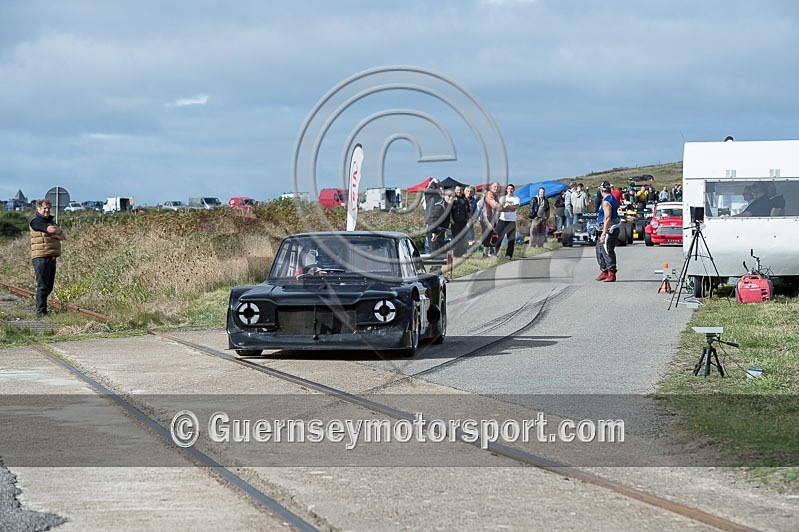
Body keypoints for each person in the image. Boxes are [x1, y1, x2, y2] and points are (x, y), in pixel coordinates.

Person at [29, 199, 67, 317]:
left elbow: (63, 236)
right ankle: (41, 312)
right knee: (42, 286)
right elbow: (53, 230)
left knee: (49, 286)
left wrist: (55, 232)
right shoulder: (36, 221)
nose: (46, 210)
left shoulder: (50, 221)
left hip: (51, 257)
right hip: (41, 257)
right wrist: (55, 232)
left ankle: (42, 309)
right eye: (44, 208)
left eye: (48, 208)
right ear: (38, 209)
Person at [595, 181, 621, 282]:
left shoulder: (606, 201)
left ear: (602, 190)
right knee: (599, 250)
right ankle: (604, 270)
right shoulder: (610, 198)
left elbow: (608, 217)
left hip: (609, 229)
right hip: (603, 227)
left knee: (607, 250)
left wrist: (604, 233)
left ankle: (611, 272)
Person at [496, 184, 520, 259]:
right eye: (508, 188)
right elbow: (499, 208)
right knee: (498, 237)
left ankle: (508, 255)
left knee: (511, 239)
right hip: (502, 220)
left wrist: (507, 207)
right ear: (506, 190)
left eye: (511, 188)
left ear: (514, 190)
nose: (510, 190)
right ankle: (494, 253)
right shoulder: (503, 198)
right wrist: (507, 208)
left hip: (511, 221)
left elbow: (515, 207)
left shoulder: (516, 198)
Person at [426, 184, 451, 256]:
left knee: (439, 255)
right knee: (436, 256)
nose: (450, 198)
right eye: (448, 196)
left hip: (440, 232)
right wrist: (434, 232)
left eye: (452, 196)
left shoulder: (447, 205)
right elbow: (432, 219)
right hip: (434, 232)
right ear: (444, 196)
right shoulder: (440, 206)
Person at [449, 184, 471, 257]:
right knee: (455, 238)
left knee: (463, 238)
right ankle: (455, 254)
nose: (459, 191)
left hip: (463, 222)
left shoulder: (465, 199)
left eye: (460, 190)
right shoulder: (452, 199)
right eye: (457, 190)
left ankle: (462, 253)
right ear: (455, 190)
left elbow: (468, 211)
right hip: (455, 222)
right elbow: (449, 211)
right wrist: (451, 219)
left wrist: (468, 219)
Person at [481, 181, 502, 256]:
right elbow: (494, 205)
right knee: (488, 235)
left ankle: (492, 253)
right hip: (487, 218)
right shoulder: (489, 194)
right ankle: (485, 253)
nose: (496, 188)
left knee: (494, 235)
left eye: (497, 187)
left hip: (494, 218)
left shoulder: (496, 195)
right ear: (491, 187)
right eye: (495, 186)